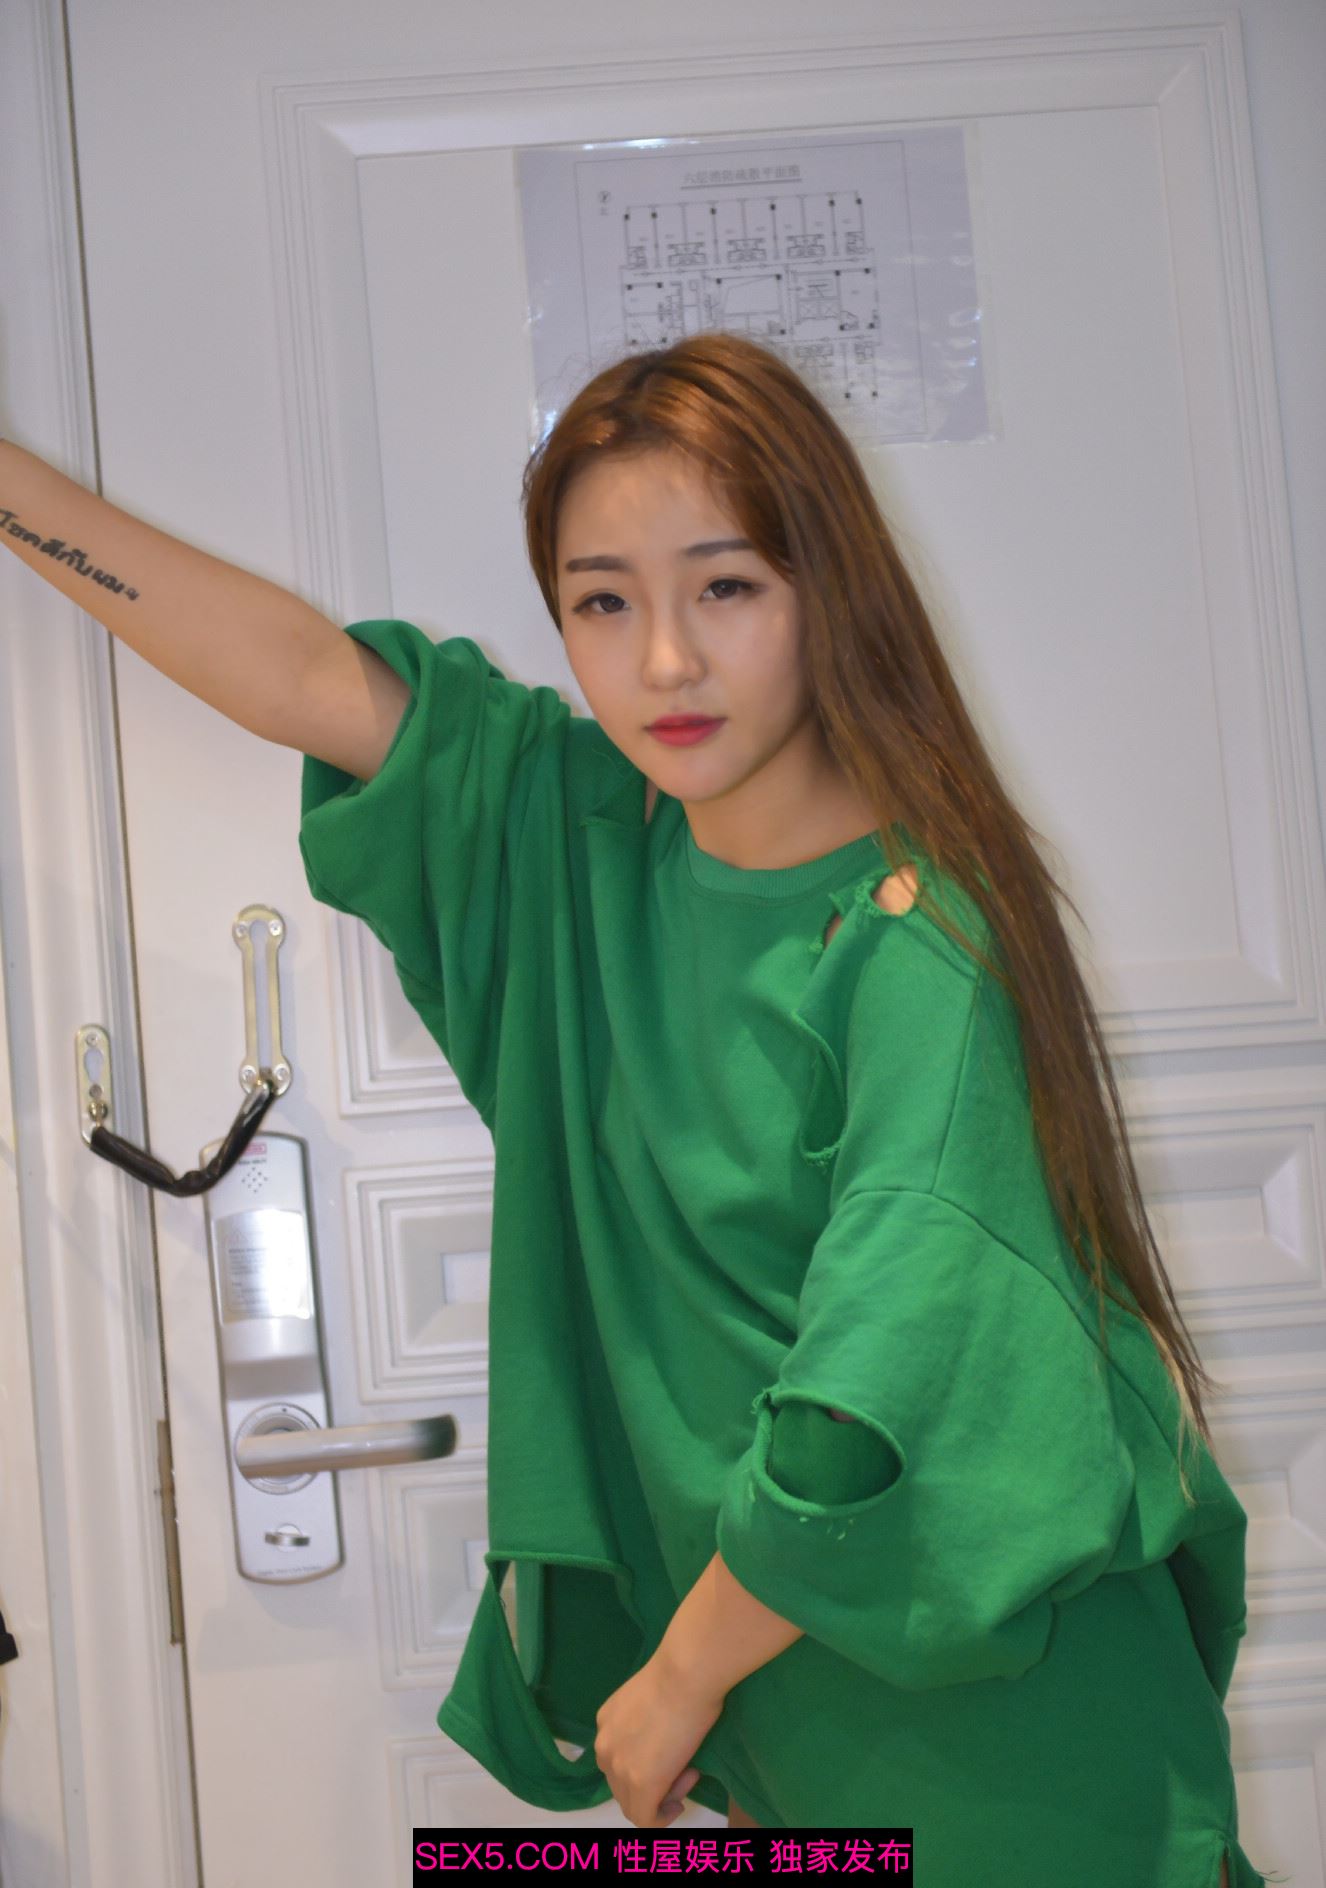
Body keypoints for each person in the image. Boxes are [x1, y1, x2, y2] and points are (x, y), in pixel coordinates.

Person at [0, 333, 1270, 1884]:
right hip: (783, 1707)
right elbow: (307, 678)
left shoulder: (916, 948)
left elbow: (872, 1404)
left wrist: (678, 1678)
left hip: (1001, 1735)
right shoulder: (583, 836)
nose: (663, 661)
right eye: (602, 602)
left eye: (724, 587)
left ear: (829, 592)